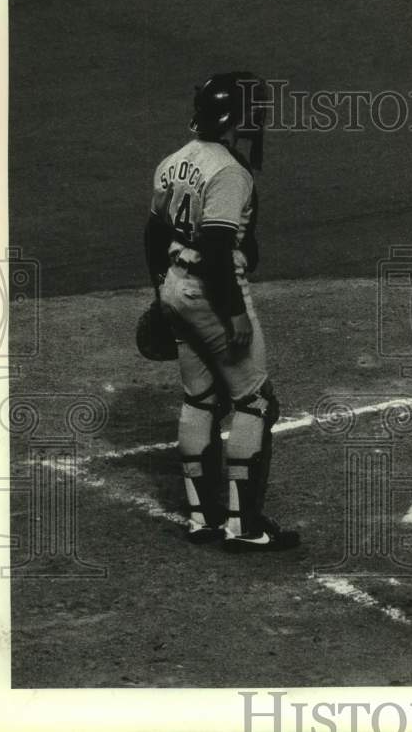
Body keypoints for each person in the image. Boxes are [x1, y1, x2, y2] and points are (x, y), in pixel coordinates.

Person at [144, 71, 298, 551]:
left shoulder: (175, 161)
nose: (261, 119)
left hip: (176, 288)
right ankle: (243, 526)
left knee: (200, 399)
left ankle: (201, 517)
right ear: (241, 117)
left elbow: (153, 234)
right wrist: (233, 315)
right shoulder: (228, 173)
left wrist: (160, 294)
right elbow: (215, 248)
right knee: (255, 402)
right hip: (212, 293)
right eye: (256, 112)